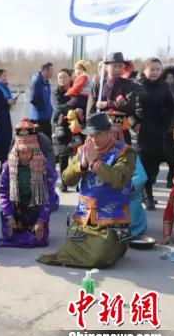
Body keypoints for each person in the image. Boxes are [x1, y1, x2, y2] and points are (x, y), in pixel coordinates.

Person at [37, 112, 135, 268]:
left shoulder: (125, 152)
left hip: (112, 220)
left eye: (97, 135)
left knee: (98, 257)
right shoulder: (84, 150)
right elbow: (66, 180)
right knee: (69, 248)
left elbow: (118, 180)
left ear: (109, 133)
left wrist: (95, 161)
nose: (92, 139)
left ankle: (119, 246)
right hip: (85, 217)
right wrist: (82, 165)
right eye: (89, 135)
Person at [0, 119, 55, 247]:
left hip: (36, 205)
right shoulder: (8, 166)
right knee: (10, 234)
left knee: (39, 240)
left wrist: (42, 220)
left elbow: (49, 194)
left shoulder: (44, 165)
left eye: (27, 152)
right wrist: (8, 216)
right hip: (16, 207)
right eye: (20, 152)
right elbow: (4, 192)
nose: (24, 156)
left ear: (34, 151)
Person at [134, 58, 174, 210]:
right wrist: (134, 123)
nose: (155, 72)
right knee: (143, 164)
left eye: (158, 69)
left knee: (154, 166)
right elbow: (129, 107)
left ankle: (146, 192)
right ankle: (148, 196)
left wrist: (165, 125)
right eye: (152, 69)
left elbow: (172, 107)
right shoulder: (136, 85)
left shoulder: (164, 87)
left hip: (158, 131)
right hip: (140, 131)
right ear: (144, 70)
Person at [86, 52, 141, 145]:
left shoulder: (128, 84)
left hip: (120, 129)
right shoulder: (98, 84)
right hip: (100, 129)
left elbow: (129, 105)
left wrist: (108, 104)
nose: (117, 69)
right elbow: (90, 108)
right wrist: (92, 126)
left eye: (120, 66)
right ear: (106, 67)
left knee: (122, 155)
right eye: (114, 66)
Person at [52, 68, 74, 192]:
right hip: (60, 126)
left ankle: (78, 181)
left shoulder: (75, 91)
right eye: (60, 77)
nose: (62, 79)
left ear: (70, 78)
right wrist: (73, 107)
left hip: (74, 124)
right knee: (63, 156)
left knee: (78, 154)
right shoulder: (55, 93)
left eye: (64, 77)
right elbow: (58, 107)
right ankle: (64, 182)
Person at [0, 69, 17, 170]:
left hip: (6, 115)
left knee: (7, 139)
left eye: (6, 76)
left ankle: (5, 163)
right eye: (3, 76)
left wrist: (11, 102)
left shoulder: (5, 88)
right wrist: (7, 102)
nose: (6, 78)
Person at [29, 62, 54, 138]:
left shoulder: (45, 81)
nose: (52, 72)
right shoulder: (37, 81)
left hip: (46, 117)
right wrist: (43, 110)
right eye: (51, 70)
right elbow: (33, 99)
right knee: (41, 144)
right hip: (39, 119)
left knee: (47, 142)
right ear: (45, 71)